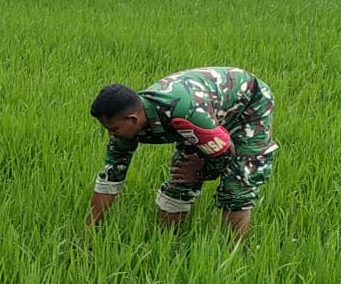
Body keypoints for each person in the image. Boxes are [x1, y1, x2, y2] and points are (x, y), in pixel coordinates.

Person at [87, 67, 275, 240]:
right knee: (181, 179)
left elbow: (224, 152)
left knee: (236, 188)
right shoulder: (126, 125)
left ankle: (234, 255)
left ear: (133, 119)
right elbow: (110, 178)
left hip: (247, 106)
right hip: (205, 114)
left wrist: (201, 171)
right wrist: (88, 232)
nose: (110, 135)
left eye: (113, 129)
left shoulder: (183, 113)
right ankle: (165, 244)